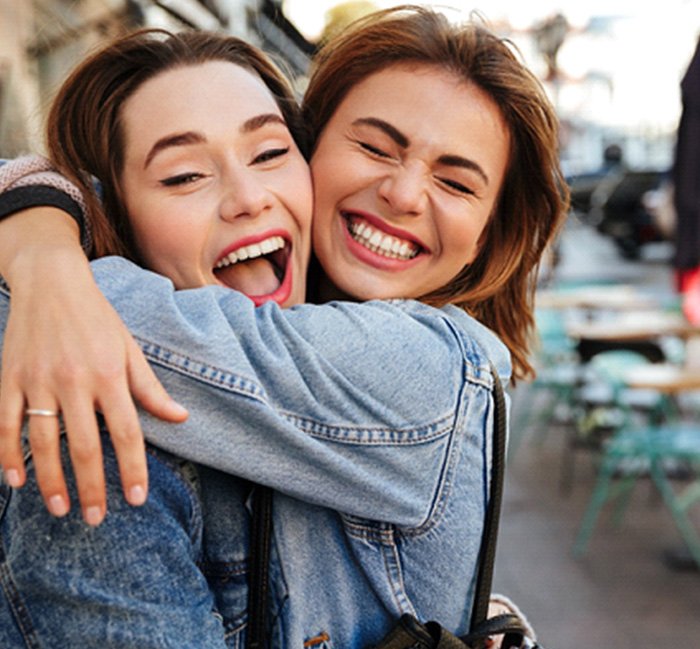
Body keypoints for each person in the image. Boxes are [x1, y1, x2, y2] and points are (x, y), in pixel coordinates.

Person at [0, 6, 565, 648]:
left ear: (488, 234)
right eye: (375, 147)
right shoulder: (109, 445)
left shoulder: (431, 367)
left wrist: (40, 260)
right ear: (313, 151)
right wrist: (41, 229)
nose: (405, 194)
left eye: (457, 183)